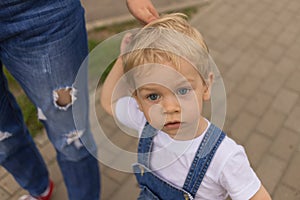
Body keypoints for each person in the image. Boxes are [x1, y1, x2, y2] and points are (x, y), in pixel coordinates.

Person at [100, 13, 272, 200]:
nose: (170, 107)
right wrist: (123, 59)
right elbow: (109, 101)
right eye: (153, 96)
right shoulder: (145, 122)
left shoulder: (224, 156)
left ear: (206, 87)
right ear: (138, 101)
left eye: (182, 91)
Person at [0, 0, 158, 200]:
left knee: (71, 135)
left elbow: (108, 101)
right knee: (3, 139)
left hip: (41, 13)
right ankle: (39, 189)